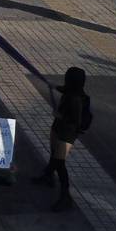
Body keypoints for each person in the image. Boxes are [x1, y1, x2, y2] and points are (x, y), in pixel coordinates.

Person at [32, 66, 91, 211]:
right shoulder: (74, 91)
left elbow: (75, 121)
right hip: (59, 129)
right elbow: (66, 90)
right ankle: (48, 175)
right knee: (55, 156)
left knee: (59, 163)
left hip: (66, 134)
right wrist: (55, 86)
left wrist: (60, 116)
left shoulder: (76, 99)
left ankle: (65, 196)